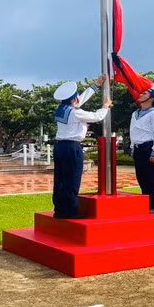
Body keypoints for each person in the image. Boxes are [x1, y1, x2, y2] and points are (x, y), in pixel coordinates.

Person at [52, 75, 111, 219]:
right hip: (72, 148)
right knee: (72, 179)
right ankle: (70, 211)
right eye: (77, 96)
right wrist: (106, 105)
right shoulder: (75, 112)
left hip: (60, 147)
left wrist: (96, 86)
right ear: (74, 99)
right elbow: (97, 116)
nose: (79, 97)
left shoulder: (62, 109)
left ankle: (60, 209)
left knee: (60, 179)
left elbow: (80, 100)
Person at [129, 84, 154, 213]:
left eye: (144, 94)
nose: (140, 95)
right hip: (139, 148)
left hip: (150, 147)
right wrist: (132, 148)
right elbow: (133, 132)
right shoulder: (136, 113)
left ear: (151, 99)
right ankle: (147, 203)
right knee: (143, 177)